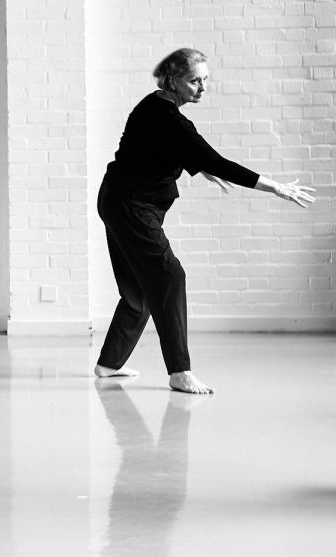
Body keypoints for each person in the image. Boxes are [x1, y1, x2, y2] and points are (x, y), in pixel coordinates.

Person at [94, 48, 314, 394]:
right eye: (194, 80)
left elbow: (162, 151)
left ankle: (109, 364)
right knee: (169, 276)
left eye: (205, 79)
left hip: (117, 200)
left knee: (138, 291)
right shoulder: (169, 119)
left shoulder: (152, 106)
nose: (202, 87)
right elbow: (208, 155)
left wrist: (204, 169)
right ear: (173, 81)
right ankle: (179, 371)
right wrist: (274, 187)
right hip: (132, 206)